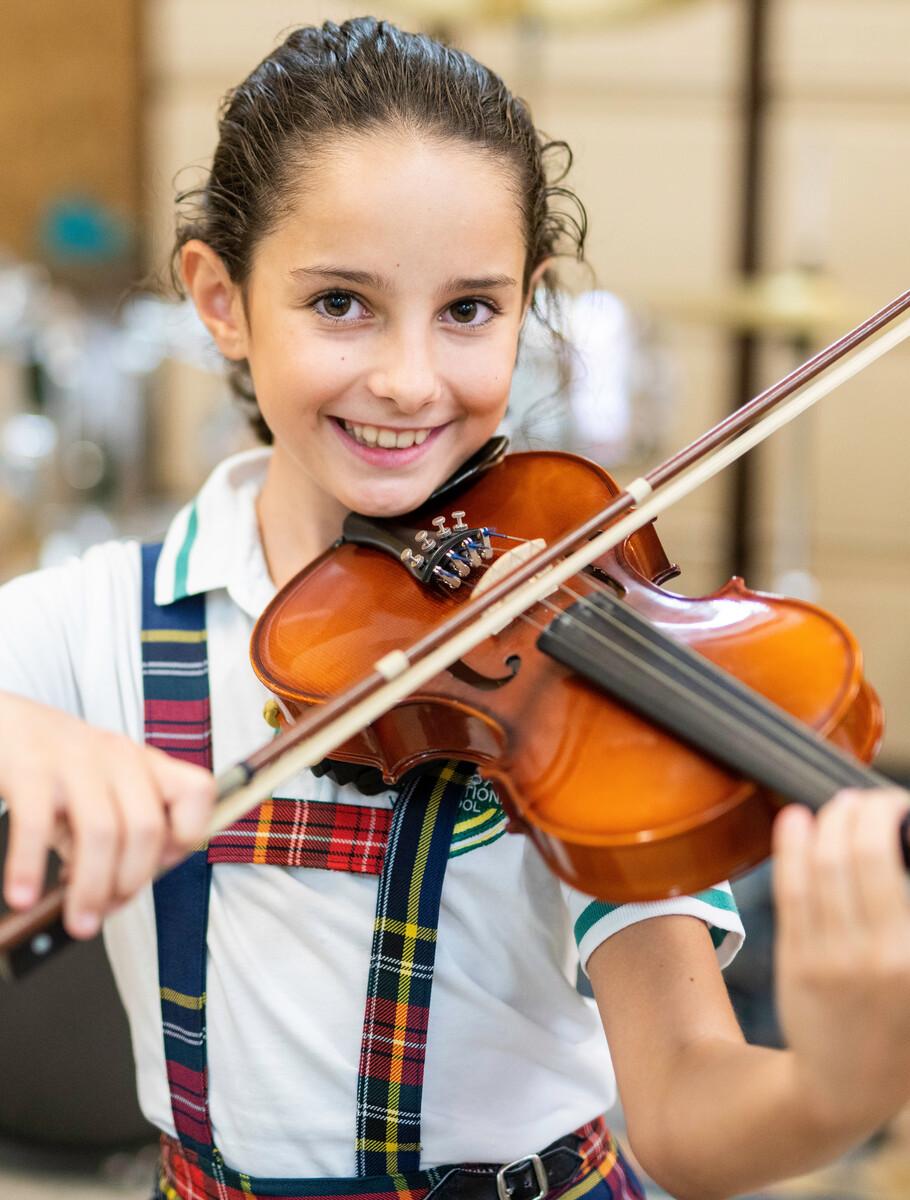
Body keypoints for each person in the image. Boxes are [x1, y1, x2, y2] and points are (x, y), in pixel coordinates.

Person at [1, 18, 909, 1200]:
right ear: (219, 298)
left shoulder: (585, 677)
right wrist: (30, 730)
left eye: (468, 310)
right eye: (340, 302)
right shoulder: (100, 622)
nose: (410, 378)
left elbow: (686, 1114)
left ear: (529, 305)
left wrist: (836, 1085)